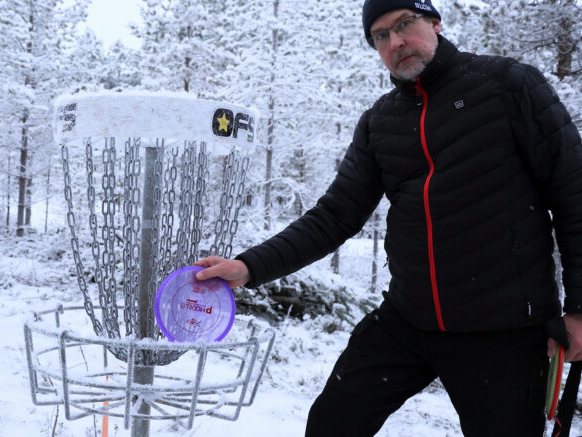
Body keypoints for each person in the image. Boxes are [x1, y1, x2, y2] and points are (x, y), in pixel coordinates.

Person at [193, 0, 582, 435]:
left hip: (502, 330)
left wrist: (580, 311)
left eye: (404, 24)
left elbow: (573, 193)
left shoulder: (508, 86)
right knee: (331, 423)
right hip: (408, 321)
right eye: (381, 36)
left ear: (434, 22)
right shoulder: (380, 122)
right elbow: (335, 215)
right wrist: (249, 266)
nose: (396, 42)